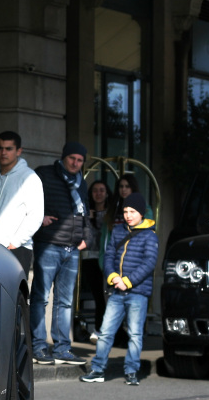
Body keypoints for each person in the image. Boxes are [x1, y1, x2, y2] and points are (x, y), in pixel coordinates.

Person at [81, 193, 158, 386]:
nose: (128, 215)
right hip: (116, 290)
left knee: (134, 334)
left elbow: (150, 262)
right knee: (106, 332)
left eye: (132, 211)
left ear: (141, 213)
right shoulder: (117, 231)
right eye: (125, 211)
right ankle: (97, 370)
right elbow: (108, 256)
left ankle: (132, 371)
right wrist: (113, 276)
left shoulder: (150, 234)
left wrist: (128, 281)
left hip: (137, 293)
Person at [30, 142, 94, 366]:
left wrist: (88, 236)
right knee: (40, 298)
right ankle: (38, 346)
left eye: (79, 160)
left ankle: (62, 348)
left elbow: (85, 211)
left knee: (65, 302)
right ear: (63, 157)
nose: (75, 163)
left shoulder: (81, 183)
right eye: (72, 159)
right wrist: (39, 220)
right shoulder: (44, 174)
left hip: (72, 248)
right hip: (48, 244)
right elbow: (27, 201)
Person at [0, 131, 42, 277]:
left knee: (14, 297)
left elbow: (36, 216)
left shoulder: (29, 178)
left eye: (9, 149)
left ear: (18, 151)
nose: (3, 152)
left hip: (16, 248)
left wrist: (15, 242)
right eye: (0, 148)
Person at [80, 179, 112, 341]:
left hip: (107, 258)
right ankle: (98, 329)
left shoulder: (111, 213)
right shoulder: (86, 212)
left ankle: (102, 329)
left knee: (105, 295)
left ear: (107, 193)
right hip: (90, 258)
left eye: (102, 190)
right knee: (98, 295)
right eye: (95, 191)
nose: (98, 194)